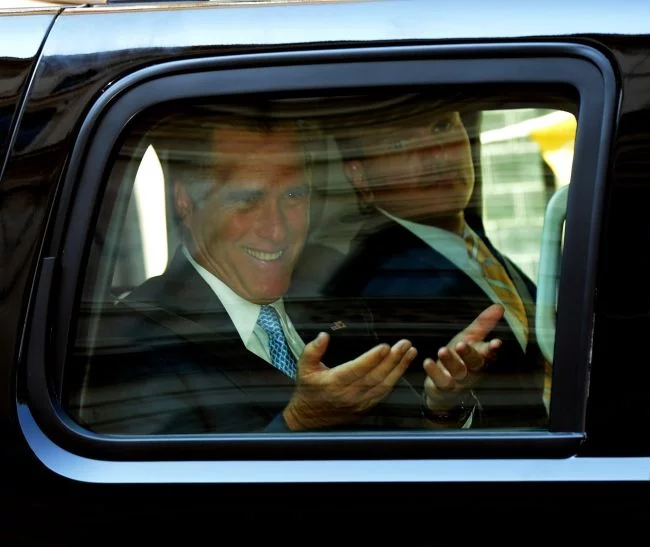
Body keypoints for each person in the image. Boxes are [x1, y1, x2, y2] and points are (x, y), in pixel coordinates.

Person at [69, 107, 503, 434]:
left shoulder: (335, 296)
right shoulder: (133, 338)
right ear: (187, 202)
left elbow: (401, 452)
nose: (277, 229)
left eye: (294, 195)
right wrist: (297, 422)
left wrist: (442, 404)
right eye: (247, 199)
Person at [327, 97, 549, 428]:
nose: (437, 154)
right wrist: (445, 406)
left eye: (442, 126)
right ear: (360, 177)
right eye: (400, 143)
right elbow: (396, 434)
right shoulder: (373, 290)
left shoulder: (474, 245)